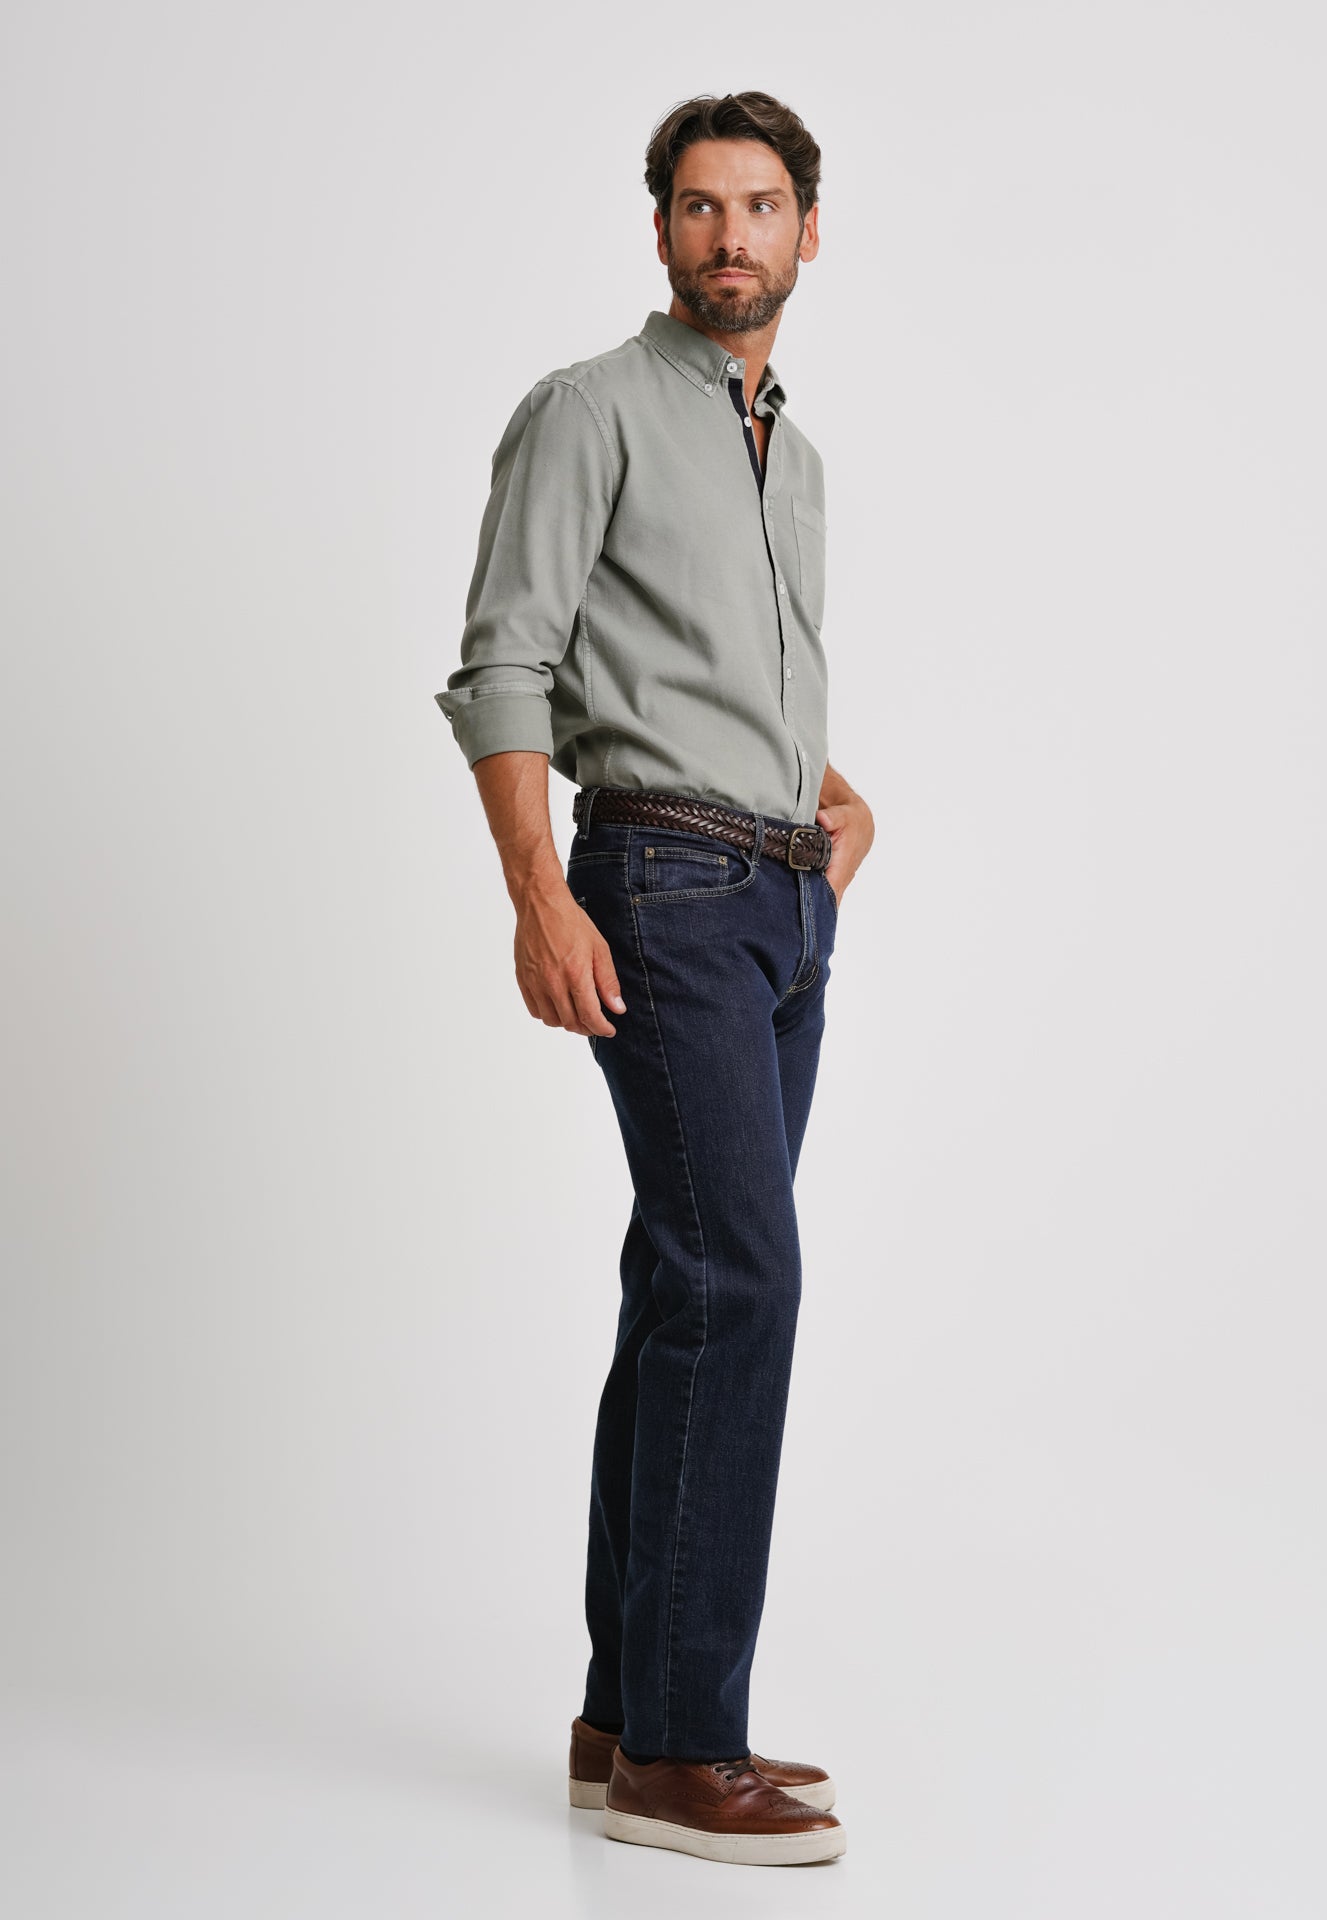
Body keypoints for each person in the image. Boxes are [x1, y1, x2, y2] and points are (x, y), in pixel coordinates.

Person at [434, 89, 874, 1868]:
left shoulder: (797, 458)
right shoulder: (589, 409)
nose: (729, 237)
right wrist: (538, 893)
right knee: (741, 1280)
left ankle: (626, 1716)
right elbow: (505, 662)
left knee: (684, 1284)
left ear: (808, 232)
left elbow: (730, 679)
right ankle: (689, 1752)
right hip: (663, 885)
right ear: (662, 230)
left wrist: (832, 799)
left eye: (760, 207)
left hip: (779, 902)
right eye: (700, 206)